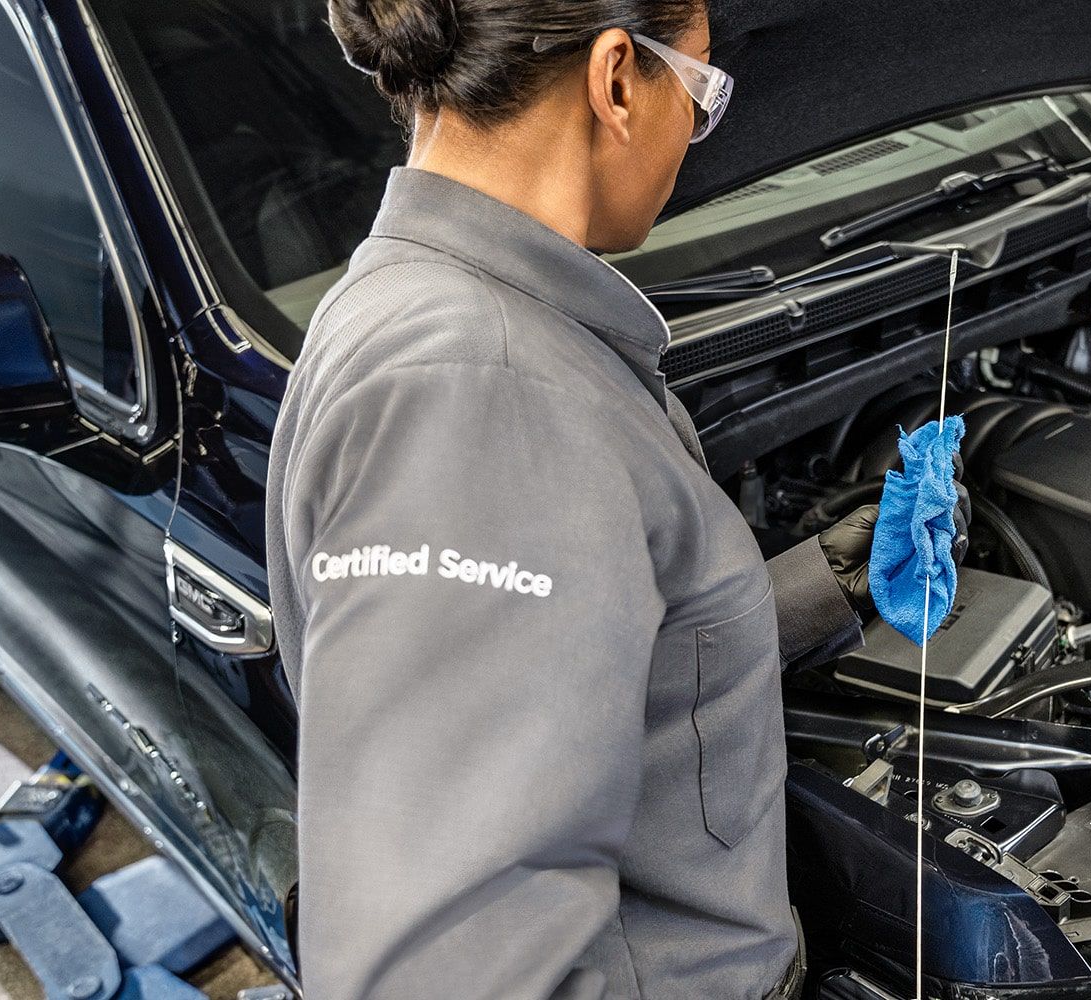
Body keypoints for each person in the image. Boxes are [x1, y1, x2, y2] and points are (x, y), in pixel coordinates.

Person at [263, 1, 914, 996]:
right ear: (616, 80)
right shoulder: (478, 396)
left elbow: (595, 672)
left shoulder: (436, 306)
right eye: (700, 91)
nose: (695, 133)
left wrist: (826, 584)